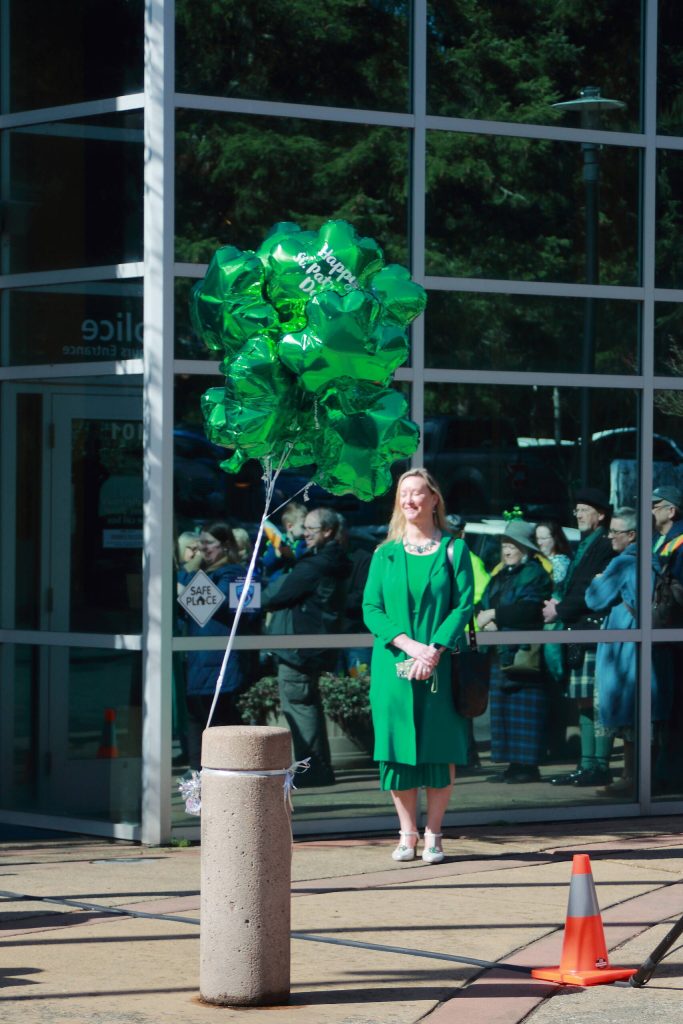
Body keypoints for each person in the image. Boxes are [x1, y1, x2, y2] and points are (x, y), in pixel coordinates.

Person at [362, 468, 473, 864]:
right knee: (396, 749)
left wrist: (433, 650)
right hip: (393, 663)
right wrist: (409, 645)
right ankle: (407, 833)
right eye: (403, 494)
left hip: (438, 665)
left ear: (434, 499)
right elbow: (370, 609)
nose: (409, 500)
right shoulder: (384, 553)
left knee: (437, 748)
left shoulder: (454, 549)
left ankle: (434, 834)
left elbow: (463, 605)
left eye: (417, 493)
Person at [262, 506, 351, 787]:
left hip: (298, 649)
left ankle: (311, 770)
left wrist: (252, 593)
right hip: (313, 647)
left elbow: (275, 595)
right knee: (308, 704)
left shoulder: (314, 566)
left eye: (311, 530)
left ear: (327, 531)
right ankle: (318, 768)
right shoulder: (335, 561)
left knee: (299, 706)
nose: (304, 535)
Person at [543, 488, 615, 787]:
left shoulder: (604, 545)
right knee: (585, 701)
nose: (578, 515)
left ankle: (599, 765)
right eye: (577, 510)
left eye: (584, 509)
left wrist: (559, 610)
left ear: (600, 515)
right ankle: (586, 764)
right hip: (580, 630)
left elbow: (588, 590)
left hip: (592, 630)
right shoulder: (587, 542)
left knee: (597, 702)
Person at [178, 521, 260, 770]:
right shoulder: (205, 573)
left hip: (221, 661)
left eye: (207, 544)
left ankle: (228, 773)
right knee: (197, 718)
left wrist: (189, 573)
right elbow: (184, 605)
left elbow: (216, 604)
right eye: (198, 544)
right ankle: (197, 774)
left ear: (225, 546)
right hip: (198, 659)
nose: (202, 550)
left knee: (221, 719)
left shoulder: (236, 573)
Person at [476, 520, 552, 783]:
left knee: (524, 712)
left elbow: (530, 608)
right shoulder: (500, 575)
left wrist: (497, 615)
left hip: (522, 653)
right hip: (499, 651)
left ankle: (527, 766)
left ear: (526, 549)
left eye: (513, 545)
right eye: (505, 545)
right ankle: (512, 764)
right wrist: (487, 619)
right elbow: (483, 603)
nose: (507, 550)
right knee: (504, 712)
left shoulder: (535, 573)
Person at [651, 486, 683, 793]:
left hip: (674, 638)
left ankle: (669, 775)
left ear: (670, 511)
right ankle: (664, 772)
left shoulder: (679, 542)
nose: (651, 511)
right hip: (662, 637)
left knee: (674, 709)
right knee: (665, 708)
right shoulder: (660, 540)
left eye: (655, 505)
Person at [535, 520, 573, 760]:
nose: (540, 543)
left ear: (555, 538)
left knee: (554, 683)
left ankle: (557, 744)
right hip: (543, 629)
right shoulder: (540, 563)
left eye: (545, 538)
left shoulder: (558, 563)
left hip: (554, 629)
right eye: (537, 539)